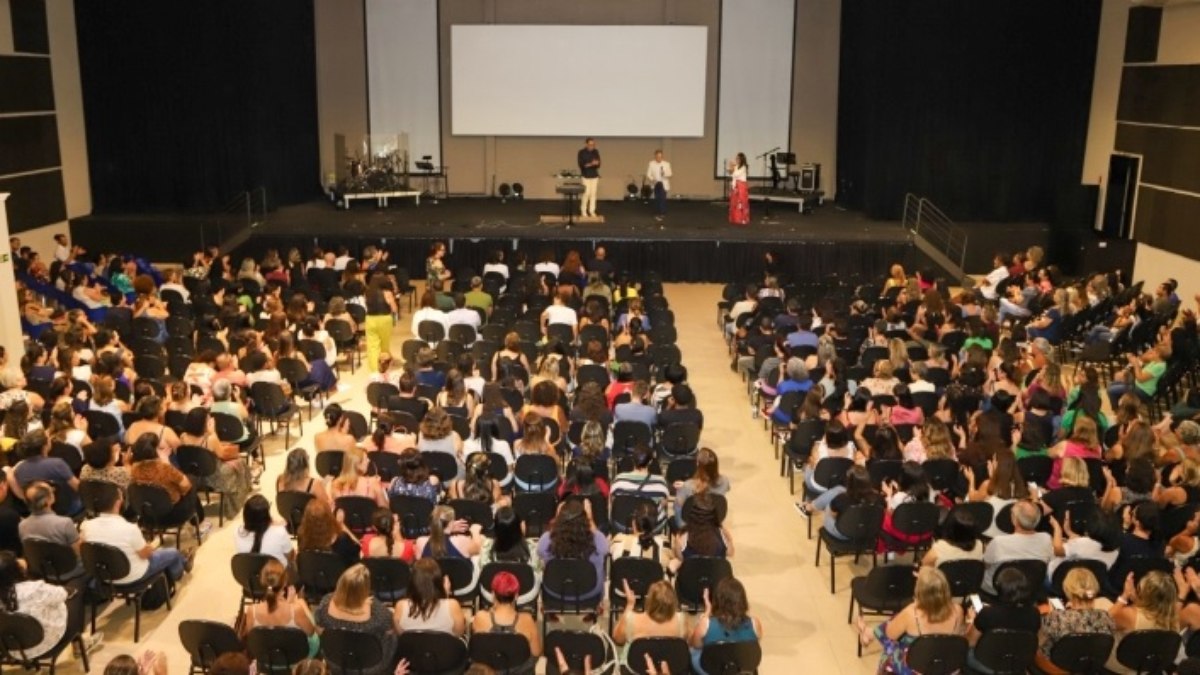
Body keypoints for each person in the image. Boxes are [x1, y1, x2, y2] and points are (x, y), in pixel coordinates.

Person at [79, 481, 191, 587]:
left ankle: (183, 560)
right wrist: (150, 547)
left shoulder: (85, 525)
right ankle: (178, 574)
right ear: (118, 502)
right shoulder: (130, 528)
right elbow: (145, 555)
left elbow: (84, 548)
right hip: (134, 575)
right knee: (173, 553)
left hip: (105, 576)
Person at [866, 567, 964, 673]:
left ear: (920, 591)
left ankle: (870, 633)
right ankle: (870, 632)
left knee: (890, 644)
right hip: (941, 662)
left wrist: (916, 603)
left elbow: (889, 634)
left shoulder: (912, 613)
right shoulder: (958, 610)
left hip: (914, 667)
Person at [313, 565, 396, 675]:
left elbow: (319, 630)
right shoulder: (377, 611)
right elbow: (390, 631)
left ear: (341, 584)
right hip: (370, 665)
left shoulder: (325, 603)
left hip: (336, 660)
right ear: (365, 589)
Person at [1035, 567, 1115, 672]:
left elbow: (1039, 647)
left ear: (1067, 589)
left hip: (1056, 668)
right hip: (1088, 667)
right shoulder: (1106, 617)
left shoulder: (1057, 618)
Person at [239, 558, 319, 658]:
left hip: (267, 658)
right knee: (301, 602)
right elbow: (311, 633)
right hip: (295, 658)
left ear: (262, 581)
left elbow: (252, 637)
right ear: (284, 582)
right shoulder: (296, 610)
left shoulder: (252, 610)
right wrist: (293, 604)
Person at [471, 571, 542, 673]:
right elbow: (536, 653)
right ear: (516, 596)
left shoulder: (480, 617)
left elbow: (476, 651)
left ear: (493, 594)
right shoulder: (527, 620)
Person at [688, 577, 762, 675]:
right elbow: (753, 643)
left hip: (711, 669)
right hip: (742, 670)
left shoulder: (706, 624)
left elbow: (695, 644)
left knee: (693, 651)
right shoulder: (755, 623)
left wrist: (706, 613)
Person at [982, 500, 1052, 595]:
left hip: (995, 589)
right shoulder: (1046, 539)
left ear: (1015, 521)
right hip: (1030, 587)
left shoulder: (999, 542)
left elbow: (986, 564)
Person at [394, 558, 467, 636]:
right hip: (442, 647)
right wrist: (445, 595)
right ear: (439, 582)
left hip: (412, 648)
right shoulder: (452, 605)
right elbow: (459, 633)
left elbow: (401, 635)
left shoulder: (400, 606)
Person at [234, 495, 293, 565]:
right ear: (266, 516)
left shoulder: (237, 532)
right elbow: (290, 557)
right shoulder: (280, 532)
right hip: (278, 574)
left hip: (250, 573)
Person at [577, 137, 601, 218]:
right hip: (586, 176)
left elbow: (598, 164)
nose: (592, 146)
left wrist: (593, 164)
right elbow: (582, 165)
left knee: (593, 194)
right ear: (586, 144)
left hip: (594, 175)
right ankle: (583, 211)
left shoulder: (596, 151)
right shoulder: (581, 152)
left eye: (593, 144)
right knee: (586, 193)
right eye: (590, 144)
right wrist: (592, 164)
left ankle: (592, 211)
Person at [646, 149, 672, 221]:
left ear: (662, 156)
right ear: (655, 156)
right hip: (656, 183)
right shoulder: (651, 163)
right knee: (657, 198)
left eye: (660, 157)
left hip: (663, 183)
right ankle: (657, 212)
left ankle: (662, 213)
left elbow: (670, 174)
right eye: (657, 157)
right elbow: (648, 174)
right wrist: (652, 179)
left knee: (662, 198)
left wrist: (665, 174)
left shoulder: (667, 164)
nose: (659, 158)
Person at [727, 152, 749, 226]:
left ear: (741, 159)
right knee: (734, 202)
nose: (736, 160)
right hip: (736, 186)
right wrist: (731, 167)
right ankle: (735, 218)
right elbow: (731, 174)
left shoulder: (743, 167)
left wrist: (732, 168)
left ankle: (742, 219)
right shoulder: (736, 166)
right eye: (736, 158)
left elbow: (736, 174)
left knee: (741, 203)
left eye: (738, 158)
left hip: (741, 186)